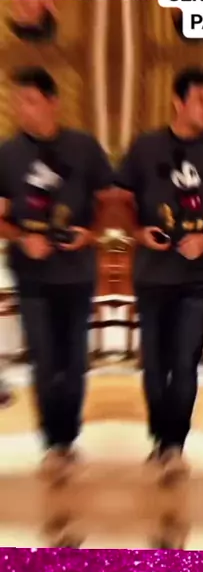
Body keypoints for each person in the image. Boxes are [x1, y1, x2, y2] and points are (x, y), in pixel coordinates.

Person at [116, 66, 203, 480]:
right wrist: (137, 231)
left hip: (198, 276)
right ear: (177, 101)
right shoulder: (146, 147)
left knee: (185, 361)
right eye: (200, 100)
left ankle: (175, 446)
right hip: (151, 275)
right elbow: (120, 199)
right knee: (155, 366)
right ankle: (161, 439)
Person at [0, 66, 113, 474]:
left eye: (30, 100)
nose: (22, 109)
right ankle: (54, 443)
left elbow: (110, 201)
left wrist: (92, 233)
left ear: (53, 102)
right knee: (45, 360)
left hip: (77, 272)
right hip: (31, 275)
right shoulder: (7, 154)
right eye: (18, 101)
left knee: (74, 360)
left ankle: (69, 436)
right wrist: (21, 237)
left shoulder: (84, 147)